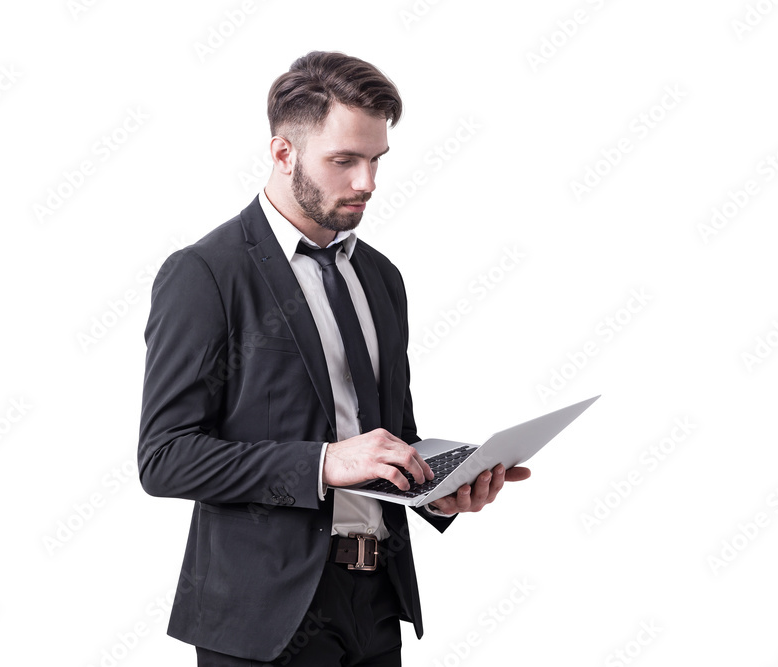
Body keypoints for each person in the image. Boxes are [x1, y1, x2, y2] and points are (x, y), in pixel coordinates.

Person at [137, 50, 530, 666]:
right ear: (283, 154)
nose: (366, 183)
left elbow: (389, 437)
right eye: (344, 160)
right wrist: (322, 464)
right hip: (262, 621)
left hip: (376, 603)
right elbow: (165, 458)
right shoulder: (206, 273)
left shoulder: (381, 277)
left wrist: (440, 489)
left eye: (376, 160)